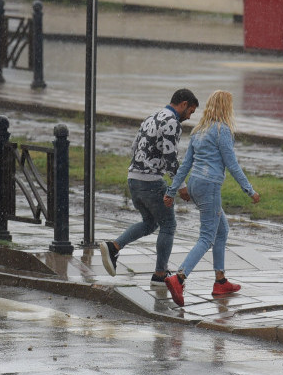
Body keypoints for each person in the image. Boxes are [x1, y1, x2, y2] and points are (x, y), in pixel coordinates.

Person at [162, 90, 261, 306]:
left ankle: (220, 281)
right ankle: (179, 278)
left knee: (222, 230)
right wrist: (249, 190)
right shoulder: (222, 131)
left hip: (196, 184)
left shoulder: (199, 131)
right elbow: (232, 164)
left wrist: (171, 191)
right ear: (226, 108)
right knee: (207, 236)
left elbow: (186, 164)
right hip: (210, 185)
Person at [97, 88, 199, 283]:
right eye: (191, 112)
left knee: (150, 223)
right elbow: (170, 158)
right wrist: (181, 186)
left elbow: (134, 147)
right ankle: (160, 274)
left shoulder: (150, 118)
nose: (189, 117)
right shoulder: (172, 122)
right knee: (168, 225)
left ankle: (114, 247)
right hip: (151, 182)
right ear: (184, 104)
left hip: (133, 179)